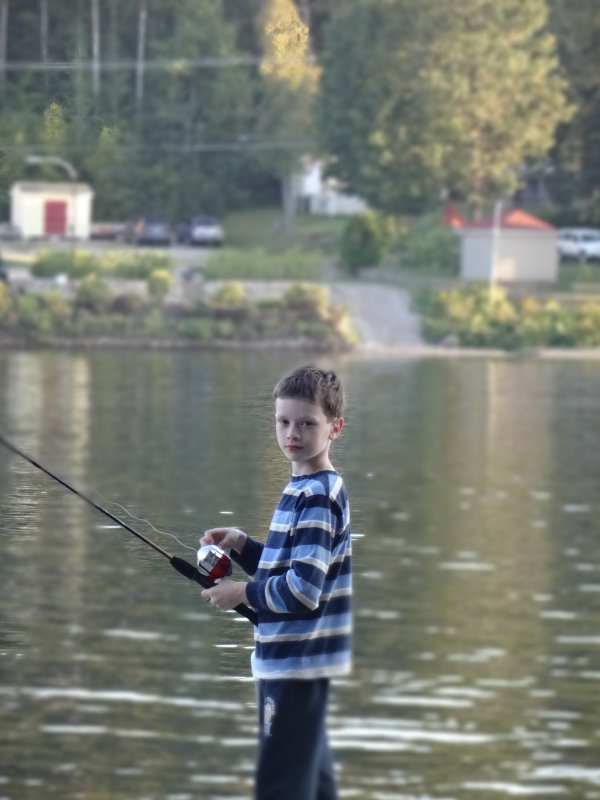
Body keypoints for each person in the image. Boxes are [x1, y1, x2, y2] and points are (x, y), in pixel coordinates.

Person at [200, 365, 352, 800]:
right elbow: (294, 565)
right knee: (313, 785)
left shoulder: (318, 494)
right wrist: (245, 547)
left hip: (295, 667)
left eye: (307, 423)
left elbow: (304, 589)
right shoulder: (305, 486)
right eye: (284, 422)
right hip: (304, 665)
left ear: (334, 428)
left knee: (282, 788)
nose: (293, 433)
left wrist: (241, 592)